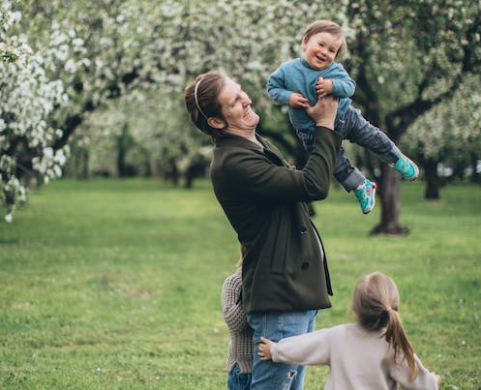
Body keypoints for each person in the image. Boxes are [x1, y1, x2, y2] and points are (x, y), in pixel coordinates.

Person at [185, 70, 342, 390]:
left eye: (241, 91)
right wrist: (326, 124)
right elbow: (312, 184)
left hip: (295, 290)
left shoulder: (255, 145)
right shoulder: (234, 162)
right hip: (281, 297)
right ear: (216, 121)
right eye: (234, 101)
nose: (246, 100)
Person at [267, 20, 419, 214]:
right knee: (336, 165)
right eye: (321, 45)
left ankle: (396, 158)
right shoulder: (288, 70)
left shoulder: (334, 70)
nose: (325, 52)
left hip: (346, 118)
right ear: (305, 43)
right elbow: (272, 87)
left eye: (332, 51)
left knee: (372, 137)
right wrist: (288, 97)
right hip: (312, 131)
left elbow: (349, 87)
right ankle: (361, 186)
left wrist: (332, 86)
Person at [258, 272, 442, 390]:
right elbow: (419, 381)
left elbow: (304, 346)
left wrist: (274, 350)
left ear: (354, 307)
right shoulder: (393, 347)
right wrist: (433, 382)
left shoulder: (337, 336)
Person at [222, 245, 253, 390]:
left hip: (268, 366)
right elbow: (235, 324)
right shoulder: (235, 282)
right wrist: (251, 286)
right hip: (244, 369)